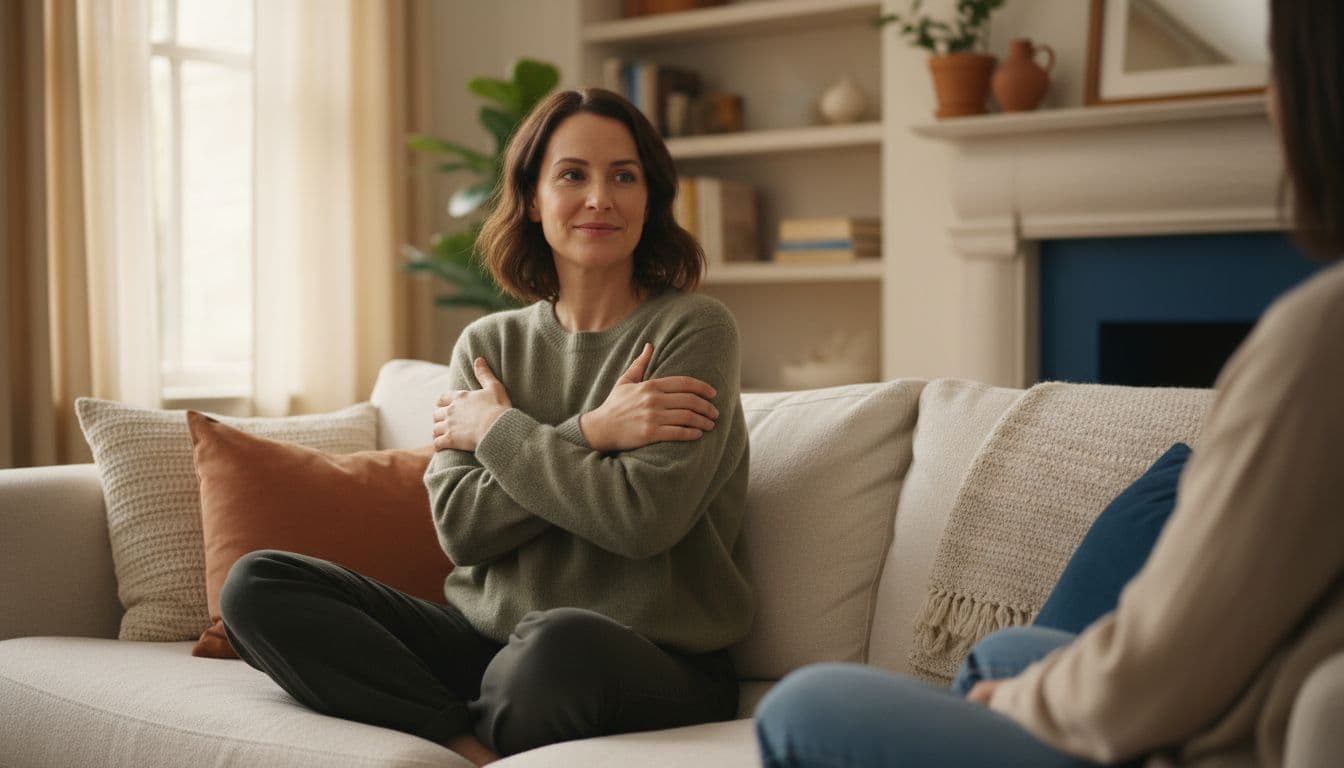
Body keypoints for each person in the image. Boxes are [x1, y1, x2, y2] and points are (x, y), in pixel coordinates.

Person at [754, 1, 1344, 766]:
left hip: (1207, 738)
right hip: (1239, 692)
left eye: (1277, 71)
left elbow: (1169, 659)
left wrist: (1028, 705)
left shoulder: (1321, 334)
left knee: (808, 700)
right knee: (1014, 650)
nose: (1269, 97)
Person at [220, 87, 754, 765]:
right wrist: (590, 432)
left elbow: (642, 522)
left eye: (624, 176)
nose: (600, 198)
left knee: (557, 646)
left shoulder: (694, 329)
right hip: (484, 643)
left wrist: (499, 432)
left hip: (646, 658)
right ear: (532, 198)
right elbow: (464, 531)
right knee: (258, 583)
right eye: (572, 175)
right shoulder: (489, 344)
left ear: (651, 199)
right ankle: (464, 741)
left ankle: (460, 722)